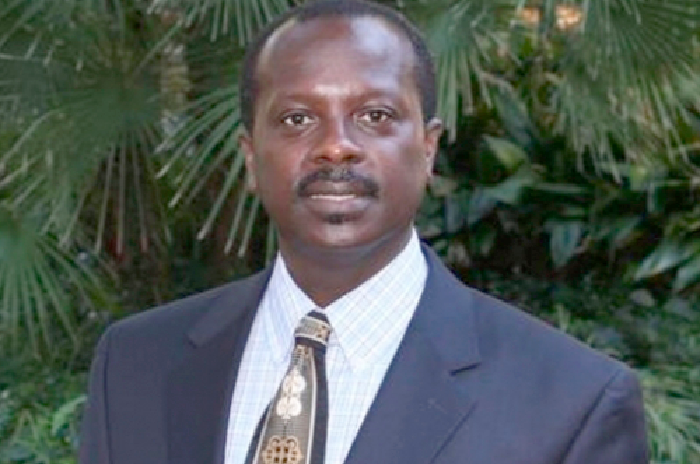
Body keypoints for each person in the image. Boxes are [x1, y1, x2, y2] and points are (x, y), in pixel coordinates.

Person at [79, 1, 648, 463]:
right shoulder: (134, 364)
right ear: (251, 158)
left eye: (375, 116)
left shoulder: (572, 403)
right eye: (297, 118)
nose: (336, 146)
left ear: (428, 148)